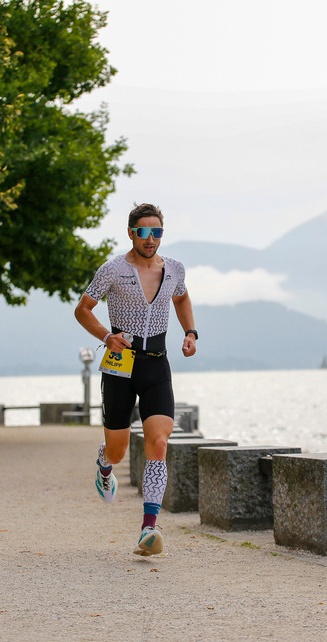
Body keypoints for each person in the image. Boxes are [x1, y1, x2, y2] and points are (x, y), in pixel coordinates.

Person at [74, 203, 198, 556]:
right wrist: (106, 336)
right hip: (121, 363)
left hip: (157, 363)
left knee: (159, 442)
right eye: (143, 232)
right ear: (131, 233)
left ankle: (149, 527)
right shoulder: (112, 270)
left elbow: (182, 297)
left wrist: (190, 332)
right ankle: (104, 464)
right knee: (118, 449)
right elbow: (83, 309)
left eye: (156, 232)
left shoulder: (174, 269)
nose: (150, 238)